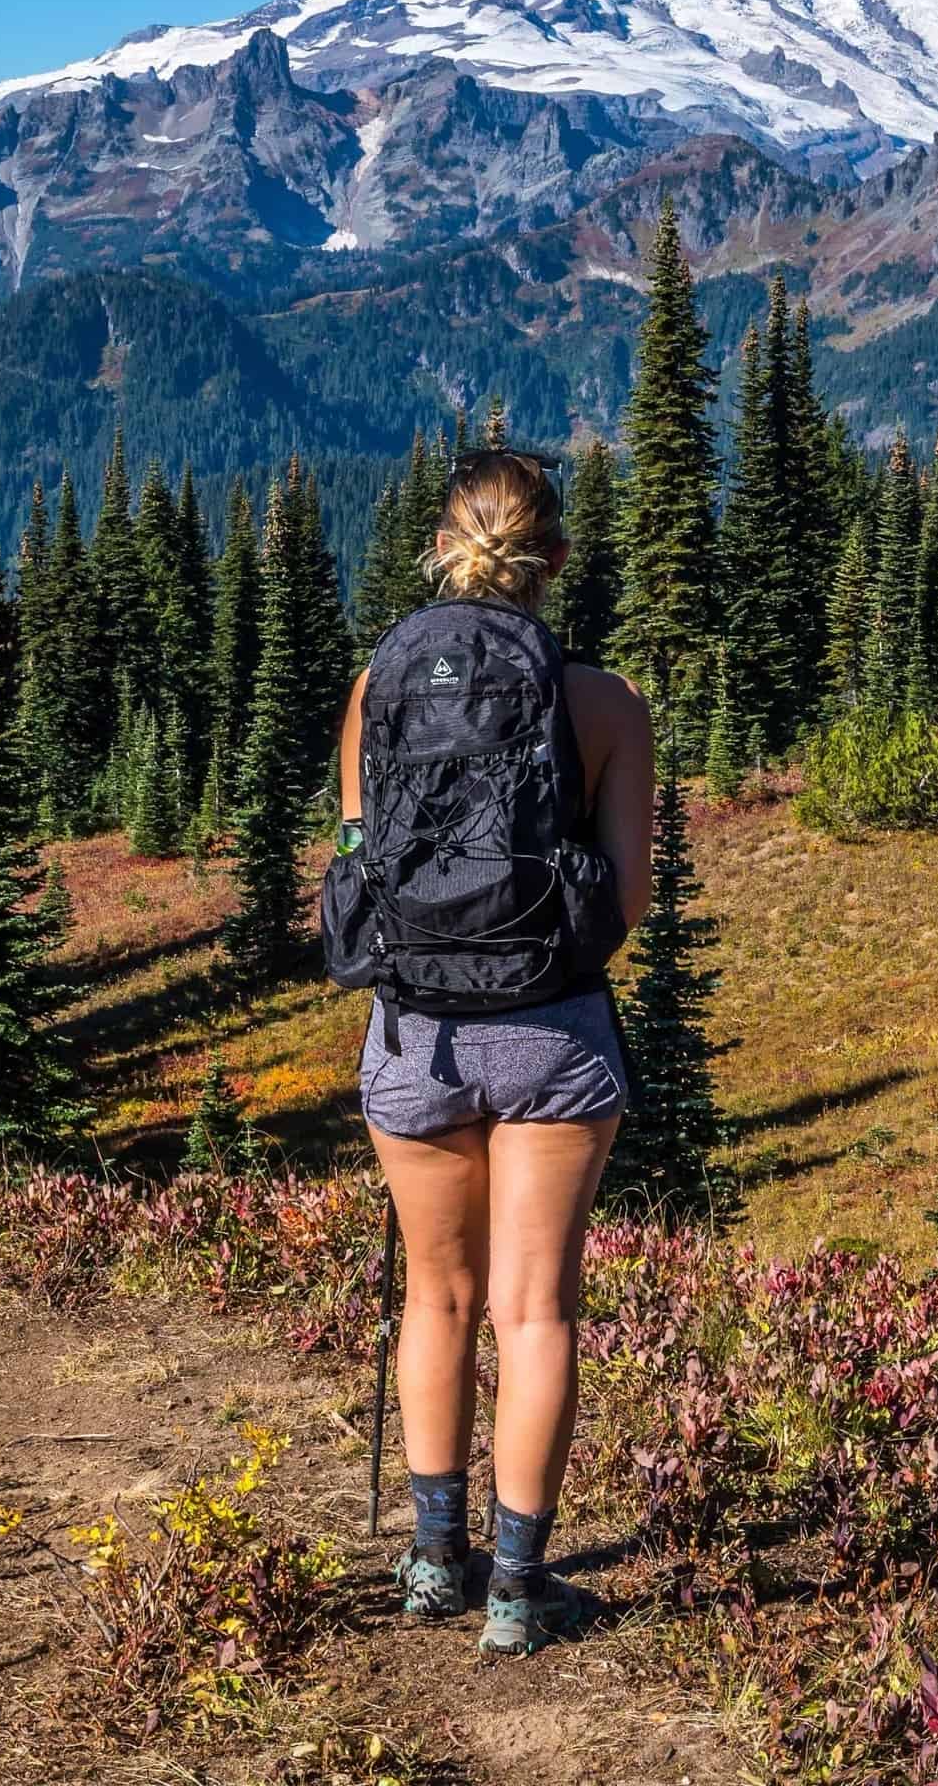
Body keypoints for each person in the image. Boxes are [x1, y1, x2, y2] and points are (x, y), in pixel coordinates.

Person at [337, 449, 653, 1656]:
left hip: (413, 1035)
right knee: (533, 1310)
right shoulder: (605, 703)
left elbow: (367, 869)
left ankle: (432, 1563)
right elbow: (622, 901)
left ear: (439, 548)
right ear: (555, 560)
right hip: (553, 1038)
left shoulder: (379, 688)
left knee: (438, 1295)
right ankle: (517, 1591)